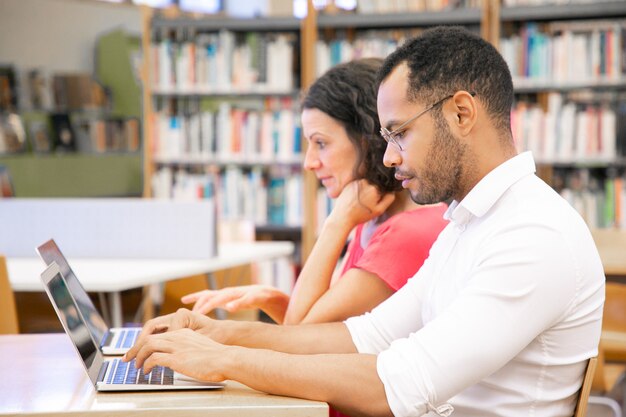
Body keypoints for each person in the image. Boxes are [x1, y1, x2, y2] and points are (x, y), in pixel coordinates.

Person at [124, 27, 605, 417]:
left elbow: (398, 385)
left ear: (461, 112)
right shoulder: (469, 222)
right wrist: (220, 334)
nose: (390, 157)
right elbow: (366, 336)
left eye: (399, 134)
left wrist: (225, 360)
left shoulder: (533, 235)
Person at [180, 58, 448, 325]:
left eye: (321, 143)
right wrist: (271, 298)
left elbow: (300, 335)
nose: (309, 163)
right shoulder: (372, 214)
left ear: (369, 140)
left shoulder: (404, 233)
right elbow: (319, 326)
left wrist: (336, 222)